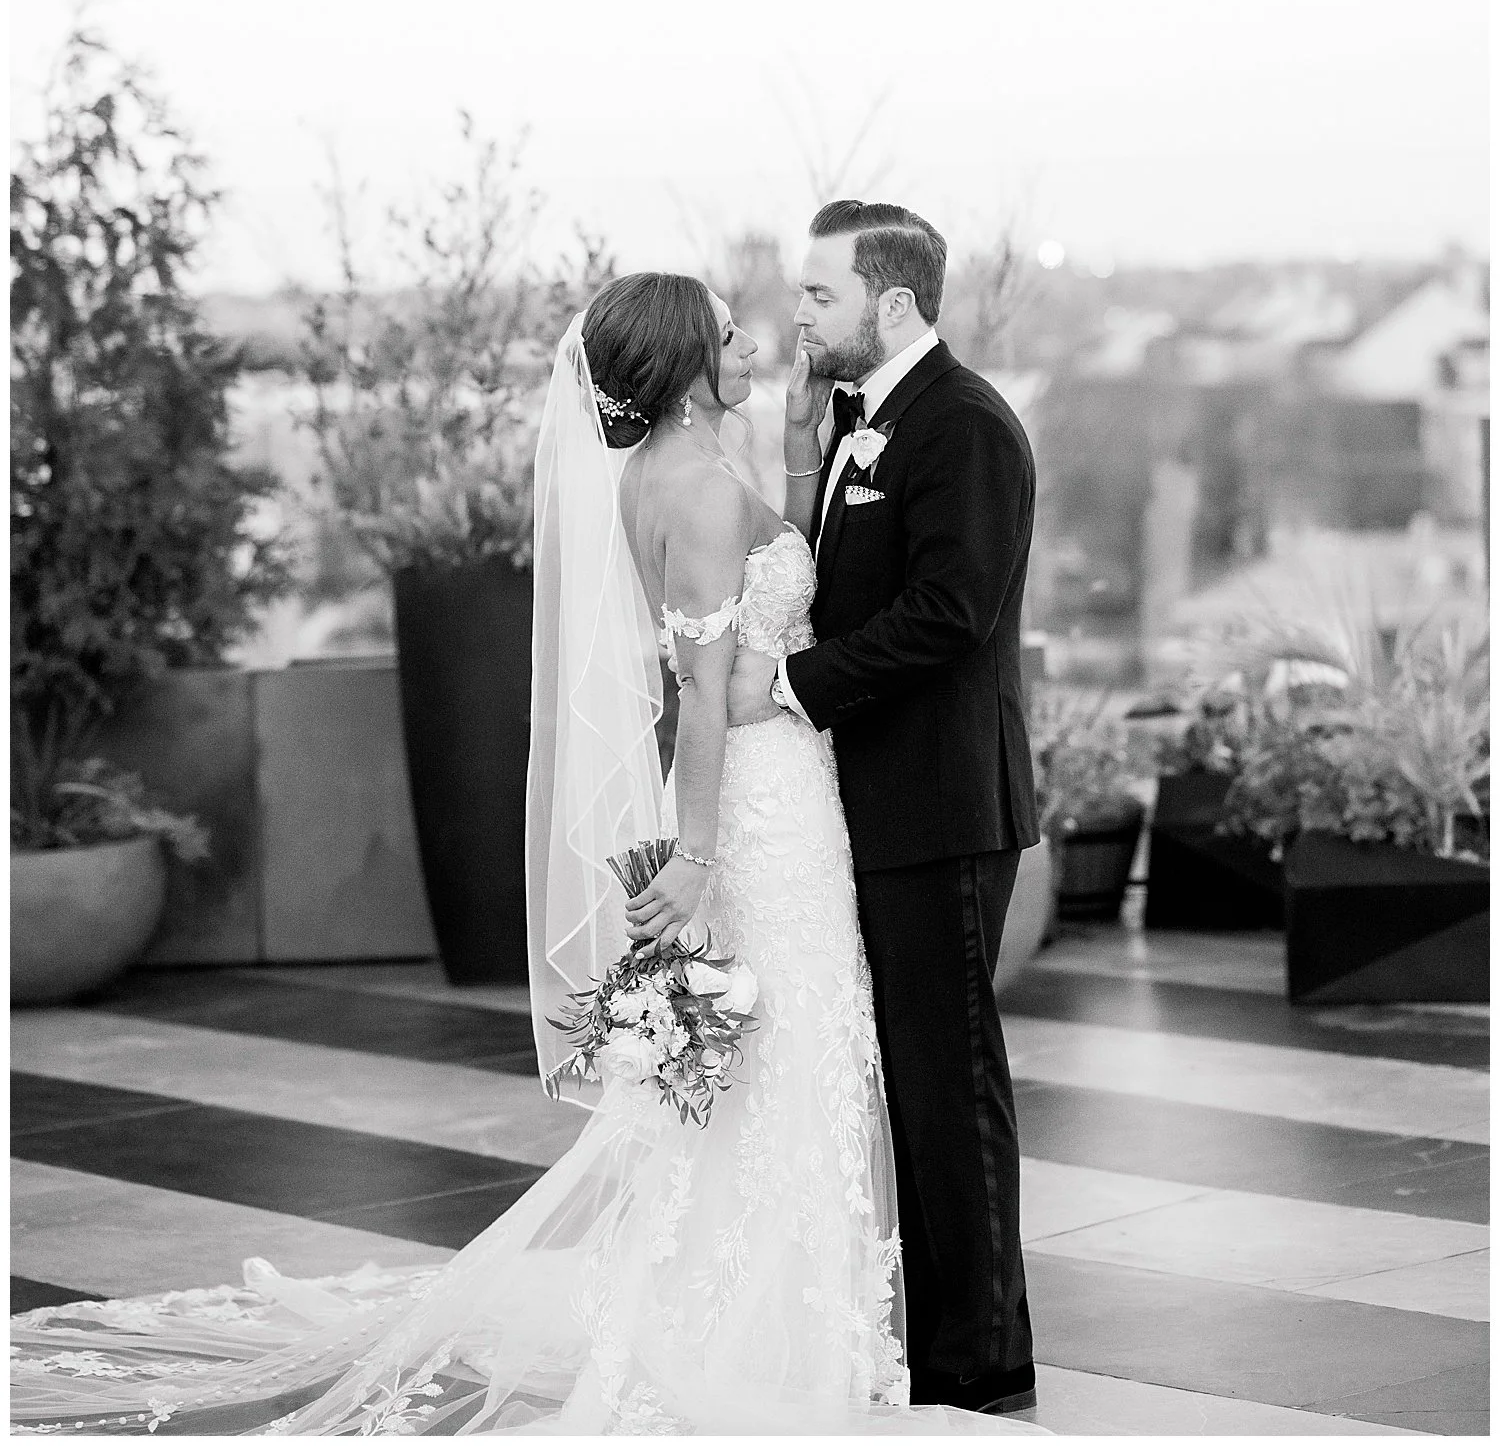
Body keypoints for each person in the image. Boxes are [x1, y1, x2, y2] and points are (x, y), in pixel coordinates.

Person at [11, 271, 1035, 1437]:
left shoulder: (663, 471)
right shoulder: (700, 489)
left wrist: (800, 448)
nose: (753, 343)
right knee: (802, 1047)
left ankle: (779, 1309)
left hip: (775, 788)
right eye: (726, 334)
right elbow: (707, 694)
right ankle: (773, 1328)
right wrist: (697, 857)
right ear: (683, 367)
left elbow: (747, 607)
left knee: (776, 1060)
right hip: (760, 801)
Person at [729, 199, 1040, 1417]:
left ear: (893, 301)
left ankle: (981, 1361)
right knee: (911, 1075)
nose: (799, 312)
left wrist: (792, 684)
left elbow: (953, 610)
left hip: (942, 804)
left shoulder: (964, 425)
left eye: (820, 293)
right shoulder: (869, 420)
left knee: (950, 1081)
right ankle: (941, 1345)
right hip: (874, 801)